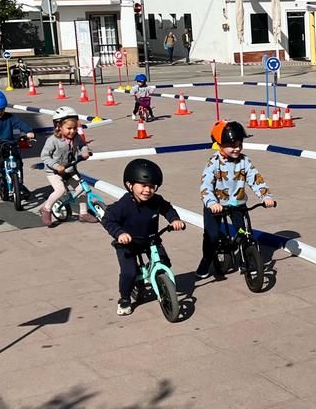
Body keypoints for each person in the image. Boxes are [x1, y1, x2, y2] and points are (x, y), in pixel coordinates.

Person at [101, 159, 186, 316]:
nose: (147, 190)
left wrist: (174, 219)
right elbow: (108, 219)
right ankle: (125, 298)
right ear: (130, 185)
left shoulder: (156, 200)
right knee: (129, 272)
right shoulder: (124, 205)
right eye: (143, 185)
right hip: (128, 243)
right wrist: (119, 233)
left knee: (164, 262)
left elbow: (167, 209)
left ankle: (158, 277)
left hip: (151, 240)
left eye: (152, 186)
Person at [197, 120, 276, 279]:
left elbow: (256, 179)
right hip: (216, 205)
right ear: (219, 144)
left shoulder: (244, 161)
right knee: (211, 236)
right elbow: (205, 184)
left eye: (239, 144)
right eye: (231, 145)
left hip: (238, 204)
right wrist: (211, 202)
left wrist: (266, 196)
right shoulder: (214, 163)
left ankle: (247, 258)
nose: (236, 148)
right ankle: (206, 261)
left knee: (244, 232)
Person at [39, 106, 94, 227]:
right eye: (69, 128)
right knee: (60, 190)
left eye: (75, 128)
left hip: (70, 169)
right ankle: (46, 208)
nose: (72, 131)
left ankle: (83, 213)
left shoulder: (76, 137)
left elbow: (82, 145)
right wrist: (56, 165)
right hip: (54, 172)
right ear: (58, 126)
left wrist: (85, 151)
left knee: (81, 189)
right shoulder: (52, 140)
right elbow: (44, 156)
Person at [0, 90, 35, 181]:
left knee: (18, 162)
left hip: (9, 144)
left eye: (2, 110)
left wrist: (29, 131)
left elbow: (20, 124)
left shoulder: (10, 117)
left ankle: (19, 183)